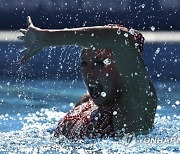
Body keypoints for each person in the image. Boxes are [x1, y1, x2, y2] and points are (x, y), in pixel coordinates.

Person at [19, 16, 157, 139]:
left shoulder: (137, 105)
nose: (88, 72)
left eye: (99, 63)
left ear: (124, 68)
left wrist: (47, 38)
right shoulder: (86, 101)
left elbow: (121, 38)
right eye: (84, 63)